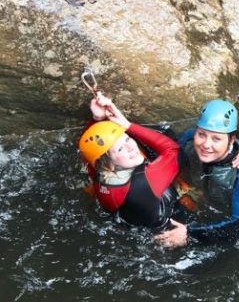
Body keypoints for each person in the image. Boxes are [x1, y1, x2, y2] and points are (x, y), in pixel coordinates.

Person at [154, 99, 239, 247]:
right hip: (200, 196)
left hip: (225, 214)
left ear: (232, 140)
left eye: (216, 138)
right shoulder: (189, 139)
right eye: (202, 134)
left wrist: (190, 235)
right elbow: (167, 153)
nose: (206, 144)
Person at [78, 92, 183, 231]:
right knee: (167, 135)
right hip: (169, 223)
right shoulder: (145, 180)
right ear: (108, 165)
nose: (131, 147)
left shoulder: (99, 172)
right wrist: (128, 125)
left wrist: (97, 119)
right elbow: (175, 151)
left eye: (127, 138)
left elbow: (91, 148)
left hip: (129, 218)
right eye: (121, 148)